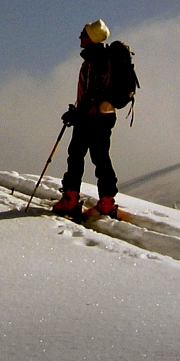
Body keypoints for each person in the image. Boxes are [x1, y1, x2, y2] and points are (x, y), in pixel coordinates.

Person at [53, 19, 120, 218]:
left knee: (76, 155)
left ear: (91, 37)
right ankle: (107, 201)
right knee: (100, 157)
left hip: (92, 116)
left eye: (83, 33)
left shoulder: (94, 59)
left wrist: (77, 112)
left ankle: (70, 200)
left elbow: (93, 92)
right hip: (104, 115)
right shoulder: (103, 58)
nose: (80, 37)